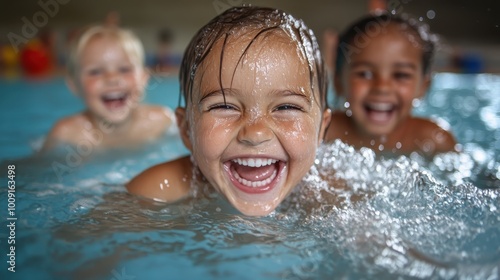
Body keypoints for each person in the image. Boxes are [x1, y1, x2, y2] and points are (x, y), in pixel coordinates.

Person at [127, 6, 331, 217]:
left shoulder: (329, 195)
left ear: (321, 130)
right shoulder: (156, 191)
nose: (255, 134)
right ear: (187, 128)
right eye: (224, 106)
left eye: (286, 107)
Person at [324, 12, 457, 159]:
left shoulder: (433, 140)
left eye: (401, 75)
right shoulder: (323, 131)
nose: (382, 87)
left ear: (423, 87)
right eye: (365, 74)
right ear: (338, 83)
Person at [41, 25, 174, 153]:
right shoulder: (68, 135)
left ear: (144, 78)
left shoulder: (162, 122)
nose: (112, 78)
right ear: (74, 85)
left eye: (124, 69)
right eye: (95, 72)